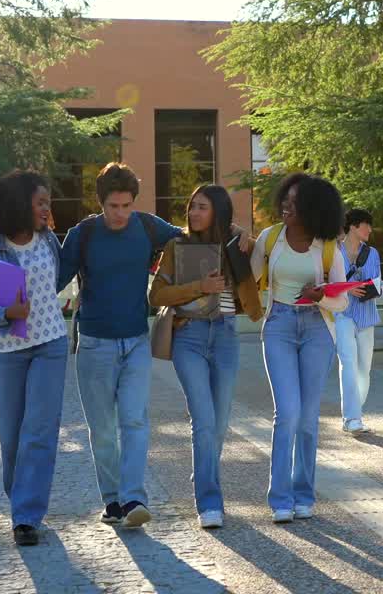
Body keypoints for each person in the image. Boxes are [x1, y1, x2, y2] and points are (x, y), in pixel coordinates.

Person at [58, 163, 181, 528]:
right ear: (101, 204)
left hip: (136, 342)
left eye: (127, 205)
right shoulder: (82, 234)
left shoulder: (147, 226)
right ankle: (112, 500)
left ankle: (133, 499)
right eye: (114, 206)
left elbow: (190, 239)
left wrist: (232, 231)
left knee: (135, 420)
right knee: (102, 429)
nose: (121, 213)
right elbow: (52, 279)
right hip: (94, 344)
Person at [0, 170, 68, 547]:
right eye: (40, 202)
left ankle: (26, 516)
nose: (46, 209)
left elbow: (54, 285)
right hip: (8, 351)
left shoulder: (49, 241)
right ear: (20, 204)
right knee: (11, 435)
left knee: (39, 430)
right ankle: (20, 502)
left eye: (47, 204)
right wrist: (6, 315)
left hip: (50, 346)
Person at [148, 184, 262, 529]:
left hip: (226, 334)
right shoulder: (175, 246)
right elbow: (157, 295)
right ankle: (209, 501)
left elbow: (265, 262)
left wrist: (245, 236)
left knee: (221, 420)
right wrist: (201, 286)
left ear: (218, 212)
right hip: (189, 335)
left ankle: (203, 480)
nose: (193, 213)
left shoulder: (235, 245)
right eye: (192, 206)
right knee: (203, 418)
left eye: (202, 207)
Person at [250, 172, 348, 524]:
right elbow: (249, 278)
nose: (286, 208)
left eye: (295, 203)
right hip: (278, 325)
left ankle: (303, 494)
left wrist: (323, 296)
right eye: (285, 201)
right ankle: (279, 498)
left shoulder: (328, 248)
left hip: (317, 328)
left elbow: (343, 302)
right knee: (287, 413)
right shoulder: (270, 238)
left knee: (307, 418)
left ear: (313, 208)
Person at [334, 208, 383, 435]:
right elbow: (329, 283)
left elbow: (376, 280)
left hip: (366, 315)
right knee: (348, 364)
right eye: (366, 225)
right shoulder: (334, 251)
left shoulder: (372, 253)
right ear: (354, 226)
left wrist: (367, 287)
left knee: (364, 369)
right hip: (342, 314)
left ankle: (355, 408)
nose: (370, 229)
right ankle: (352, 418)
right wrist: (347, 289)